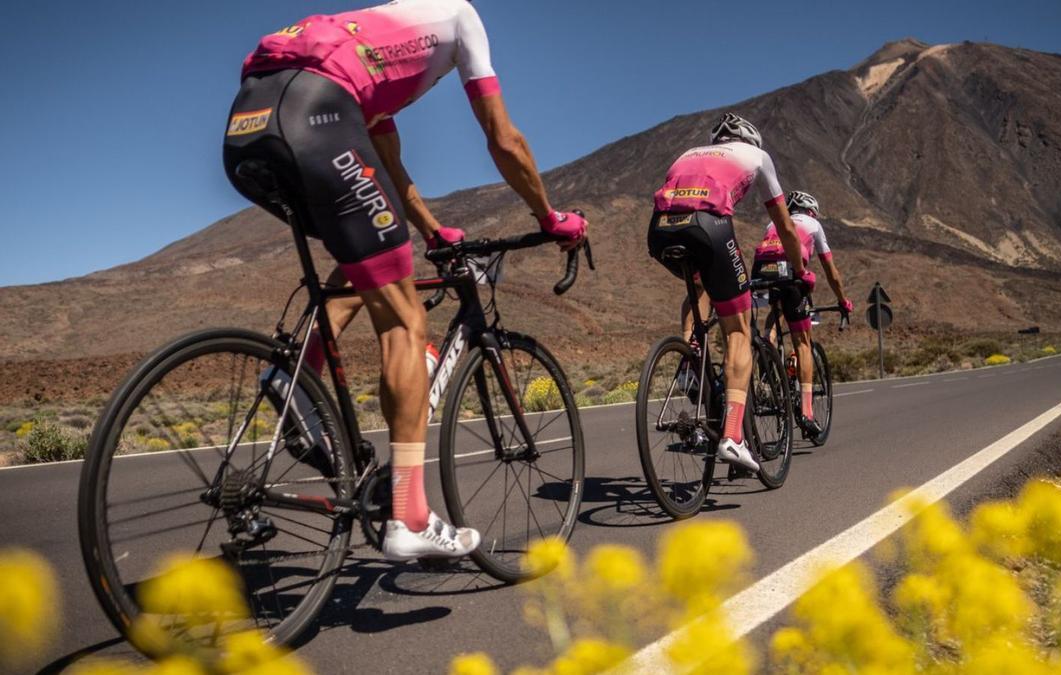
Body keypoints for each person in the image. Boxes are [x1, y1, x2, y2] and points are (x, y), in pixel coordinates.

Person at [223, 0, 588, 561]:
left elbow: (391, 173)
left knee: (365, 256)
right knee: (404, 319)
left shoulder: (367, 43)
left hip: (249, 124)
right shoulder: (460, 16)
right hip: (318, 114)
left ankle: (297, 372)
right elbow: (504, 139)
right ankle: (410, 517)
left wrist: (433, 229)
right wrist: (550, 217)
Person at [647, 113, 808, 473]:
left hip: (660, 232)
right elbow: (785, 224)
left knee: (702, 284)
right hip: (709, 228)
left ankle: (692, 359)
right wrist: (799, 272)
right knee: (738, 329)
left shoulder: (688, 153)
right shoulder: (758, 157)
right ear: (751, 140)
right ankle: (733, 437)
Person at [752, 191, 852, 437]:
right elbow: (830, 270)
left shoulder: (772, 222)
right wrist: (843, 300)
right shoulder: (813, 225)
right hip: (791, 276)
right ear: (810, 211)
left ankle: (767, 353)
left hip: (762, 272)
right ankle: (807, 412)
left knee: (775, 312)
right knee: (803, 343)